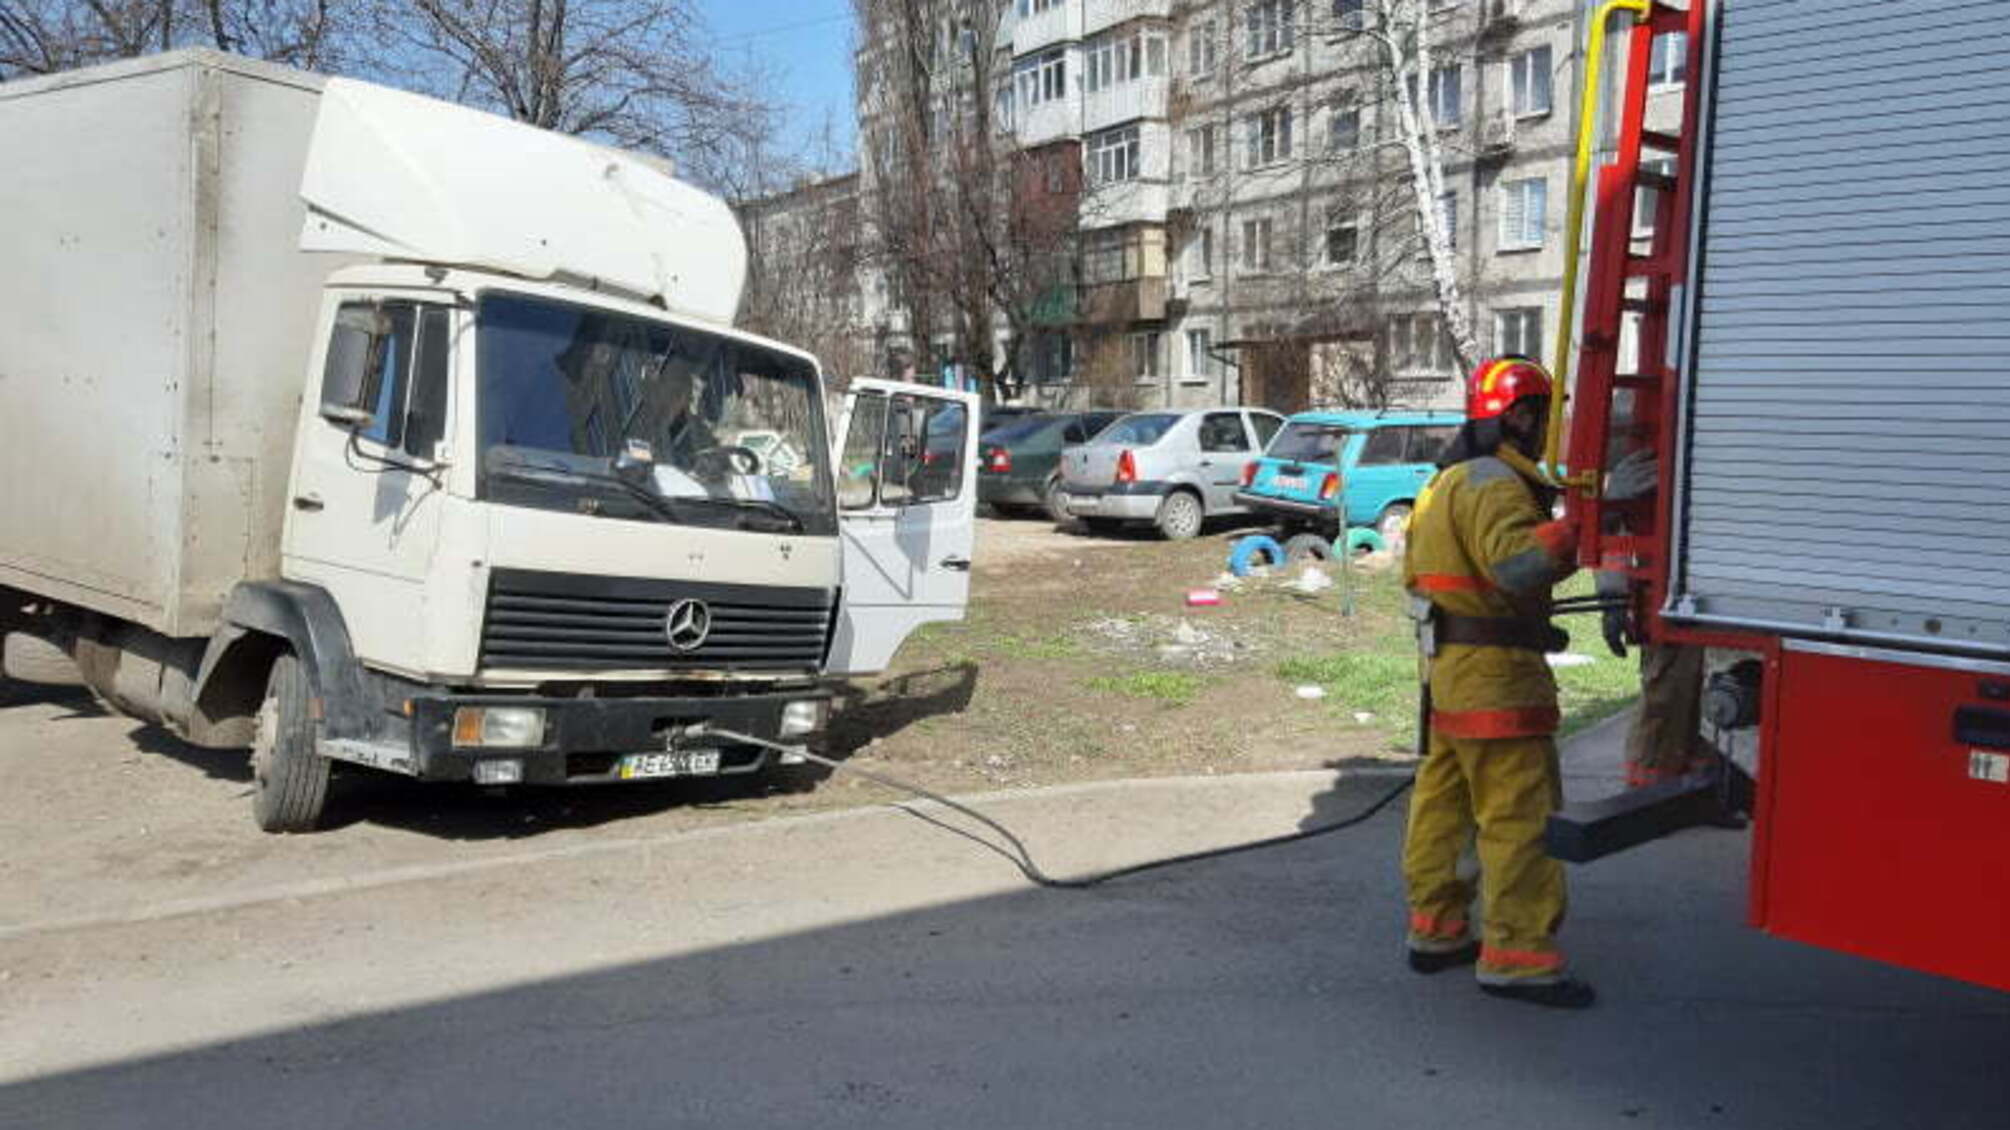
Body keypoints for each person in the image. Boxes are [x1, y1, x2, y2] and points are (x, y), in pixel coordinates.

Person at [1401, 355, 1595, 1009]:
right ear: (1518, 415)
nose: (1546, 430)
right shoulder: (1494, 484)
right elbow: (1515, 567)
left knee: (1444, 810)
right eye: (1542, 416)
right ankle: (1517, 957)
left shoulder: (1445, 480)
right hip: (1498, 681)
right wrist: (1583, 524)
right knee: (1516, 817)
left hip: (1449, 671)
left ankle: (1437, 930)